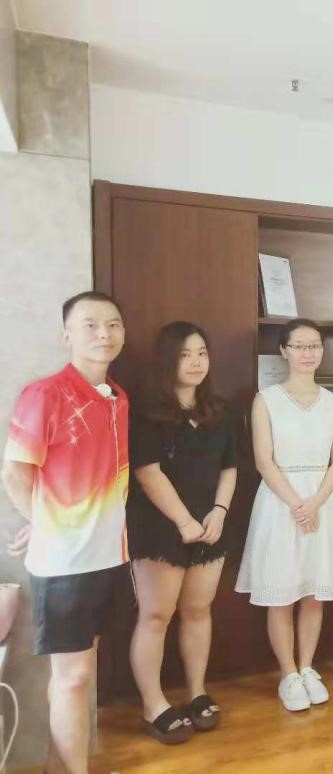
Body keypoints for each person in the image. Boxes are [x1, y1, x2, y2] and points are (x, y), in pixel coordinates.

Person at [2, 291, 129, 774]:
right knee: (74, 677)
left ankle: (60, 767)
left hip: (110, 555)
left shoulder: (118, 397)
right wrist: (44, 524)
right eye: (90, 324)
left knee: (79, 675)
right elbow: (16, 472)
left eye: (113, 324)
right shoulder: (45, 394)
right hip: (64, 564)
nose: (104, 334)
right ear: (67, 334)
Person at [128, 322, 238, 743]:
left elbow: (230, 467)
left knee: (198, 610)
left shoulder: (220, 411)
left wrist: (220, 511)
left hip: (210, 526)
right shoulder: (147, 412)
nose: (195, 362)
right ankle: (153, 704)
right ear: (167, 361)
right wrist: (184, 521)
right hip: (160, 527)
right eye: (184, 354)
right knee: (155, 616)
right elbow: (147, 472)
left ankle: (196, 692)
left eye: (201, 353)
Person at [236, 319, 333, 711]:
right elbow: (263, 461)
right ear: (283, 351)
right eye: (299, 346)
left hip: (324, 500)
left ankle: (307, 667)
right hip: (279, 503)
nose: (307, 353)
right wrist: (298, 505)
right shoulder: (266, 399)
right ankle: (288, 673)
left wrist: (315, 502)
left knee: (315, 592)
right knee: (282, 594)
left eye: (314, 345)